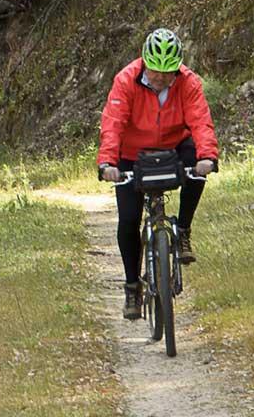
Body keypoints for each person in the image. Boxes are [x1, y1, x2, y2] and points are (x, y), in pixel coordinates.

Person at [97, 28, 220, 321]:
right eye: (155, 72)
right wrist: (107, 164)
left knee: (197, 166)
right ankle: (132, 286)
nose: (161, 78)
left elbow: (200, 121)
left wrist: (207, 157)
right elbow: (113, 123)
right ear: (145, 62)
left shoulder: (188, 82)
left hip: (173, 147)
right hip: (132, 153)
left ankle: (184, 230)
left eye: (168, 73)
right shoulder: (126, 80)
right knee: (128, 219)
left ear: (178, 67)